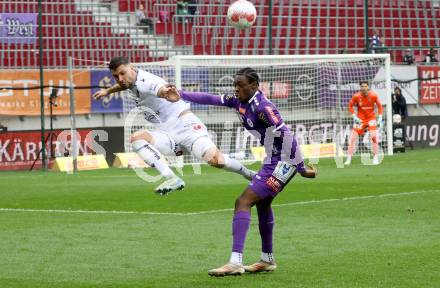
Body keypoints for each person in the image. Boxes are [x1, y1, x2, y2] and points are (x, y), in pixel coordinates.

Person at [163, 67, 317, 276]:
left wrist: (300, 168)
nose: (236, 89)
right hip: (273, 160)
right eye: (235, 85)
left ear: (254, 86)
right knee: (262, 204)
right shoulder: (239, 101)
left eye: (240, 85)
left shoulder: (264, 108)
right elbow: (210, 98)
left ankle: (235, 262)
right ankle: (267, 259)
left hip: (284, 162)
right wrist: (180, 94)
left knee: (243, 202)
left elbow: (287, 136)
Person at [93, 56, 255, 195]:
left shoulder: (146, 82)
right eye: (116, 76)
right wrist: (107, 91)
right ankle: (172, 179)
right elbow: (122, 85)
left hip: (186, 127)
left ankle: (249, 174)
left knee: (216, 161)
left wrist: (165, 92)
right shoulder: (129, 81)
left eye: (123, 73)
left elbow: (158, 88)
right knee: (137, 138)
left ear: (132, 68)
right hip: (166, 133)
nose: (120, 79)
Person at [344, 81, 383, 165]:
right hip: (360, 120)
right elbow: (350, 105)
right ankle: (348, 159)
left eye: (365, 86)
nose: (364, 88)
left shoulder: (373, 95)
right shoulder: (356, 96)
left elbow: (379, 105)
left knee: (373, 137)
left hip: (371, 118)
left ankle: (375, 157)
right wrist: (354, 116)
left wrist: (380, 117)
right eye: (362, 86)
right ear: (360, 88)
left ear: (368, 87)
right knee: (352, 138)